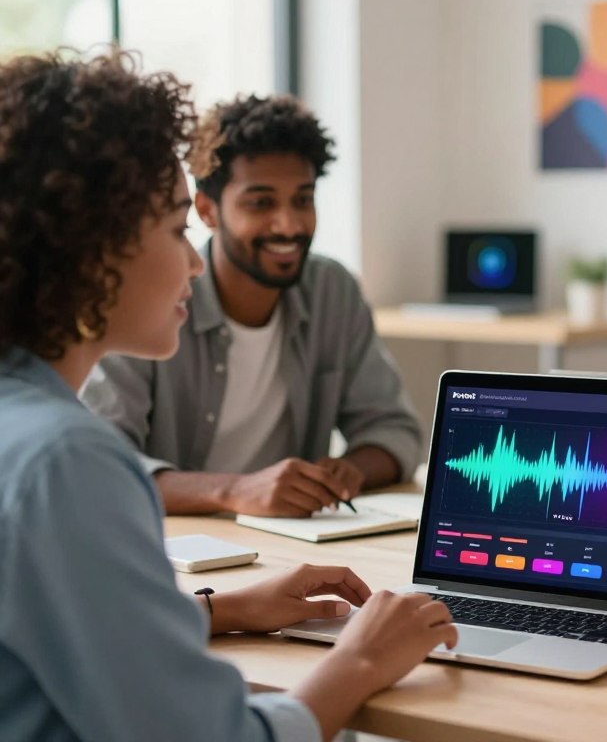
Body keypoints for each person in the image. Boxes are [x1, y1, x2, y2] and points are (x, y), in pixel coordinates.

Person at [0, 50, 456, 741]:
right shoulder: (69, 463)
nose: (190, 260)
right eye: (178, 226)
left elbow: (65, 624)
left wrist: (226, 609)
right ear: (94, 247)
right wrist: (363, 658)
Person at [81, 93, 420, 517]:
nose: (290, 224)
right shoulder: (151, 302)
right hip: (181, 548)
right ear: (207, 210)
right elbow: (103, 470)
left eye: (302, 199)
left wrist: (346, 472)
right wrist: (234, 492)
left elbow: (395, 430)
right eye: (261, 203)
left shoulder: (332, 289)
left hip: (294, 541)